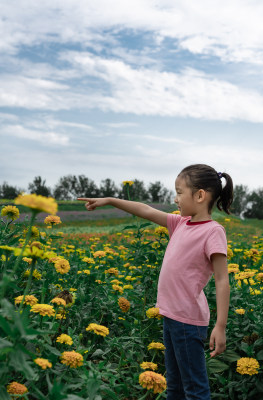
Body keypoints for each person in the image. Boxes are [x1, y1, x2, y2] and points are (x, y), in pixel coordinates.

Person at [78, 163, 233, 400]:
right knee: (174, 387)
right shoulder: (180, 223)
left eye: (180, 192)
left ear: (200, 195)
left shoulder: (213, 232)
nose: (175, 198)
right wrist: (110, 199)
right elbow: (145, 210)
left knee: (195, 389)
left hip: (188, 322)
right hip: (171, 316)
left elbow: (222, 280)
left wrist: (220, 326)